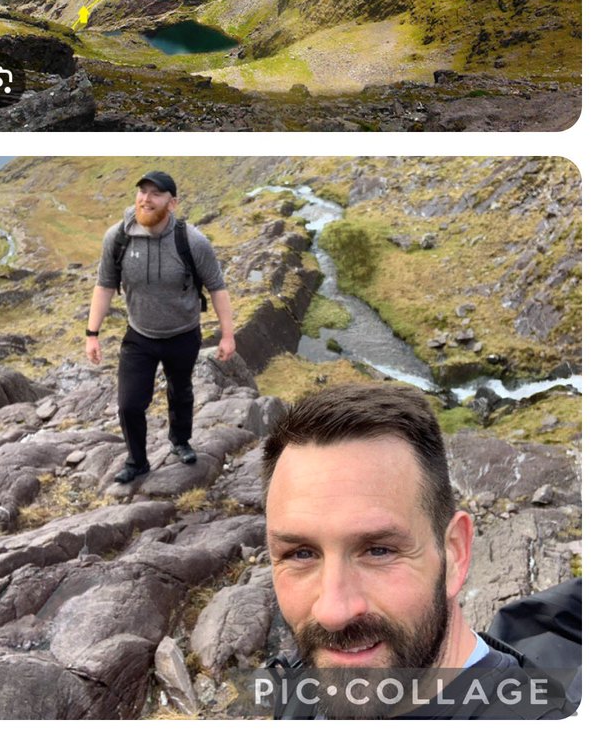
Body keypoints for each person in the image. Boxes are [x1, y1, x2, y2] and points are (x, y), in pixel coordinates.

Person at [259, 383, 574, 719]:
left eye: (378, 550)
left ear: (454, 553)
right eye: (301, 554)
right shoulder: (302, 680)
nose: (333, 613)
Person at [85, 170, 235, 484]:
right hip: (139, 335)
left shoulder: (191, 241)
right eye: (142, 192)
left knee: (180, 392)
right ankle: (137, 461)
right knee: (129, 404)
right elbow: (104, 285)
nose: (146, 199)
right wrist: (92, 333)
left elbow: (217, 288)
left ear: (172, 202)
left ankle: (180, 441)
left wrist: (227, 335)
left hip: (183, 333)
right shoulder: (118, 237)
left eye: (156, 194)